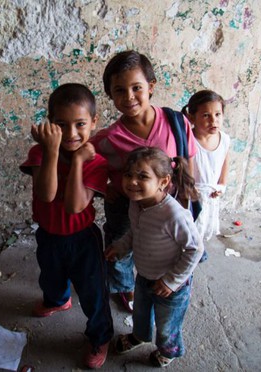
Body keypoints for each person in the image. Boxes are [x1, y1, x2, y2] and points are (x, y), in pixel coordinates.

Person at [90, 50, 197, 313]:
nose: (129, 97)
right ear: (111, 95)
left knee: (163, 247)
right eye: (119, 90)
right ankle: (125, 287)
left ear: (150, 87)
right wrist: (105, 187)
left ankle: (164, 281)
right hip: (129, 204)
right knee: (119, 249)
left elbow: (188, 156)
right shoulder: (109, 137)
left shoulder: (175, 122)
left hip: (168, 202)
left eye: (136, 88)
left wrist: (186, 195)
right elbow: (85, 160)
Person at [20, 83, 114, 369]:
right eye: (61, 124)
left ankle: (100, 337)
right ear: (50, 124)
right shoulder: (40, 153)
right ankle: (57, 300)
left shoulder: (95, 162)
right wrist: (50, 151)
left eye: (80, 124)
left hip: (82, 239)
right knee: (51, 276)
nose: (72, 134)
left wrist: (76, 163)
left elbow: (75, 206)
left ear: (94, 122)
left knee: (93, 292)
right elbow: (46, 194)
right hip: (48, 234)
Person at [104, 147, 204, 368]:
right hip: (145, 276)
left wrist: (171, 281)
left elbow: (194, 249)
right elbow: (135, 231)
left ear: (163, 181)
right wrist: (120, 246)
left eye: (143, 176)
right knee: (140, 311)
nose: (132, 182)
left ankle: (168, 350)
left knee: (167, 324)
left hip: (172, 286)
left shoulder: (174, 214)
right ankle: (139, 336)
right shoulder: (136, 203)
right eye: (128, 174)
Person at [182, 90, 230, 243]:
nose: (213, 120)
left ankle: (198, 247)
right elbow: (185, 173)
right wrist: (189, 192)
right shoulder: (189, 141)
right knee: (189, 227)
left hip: (211, 195)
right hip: (192, 195)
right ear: (192, 118)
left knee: (204, 227)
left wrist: (221, 186)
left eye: (218, 114)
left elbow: (224, 167)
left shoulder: (224, 140)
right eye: (206, 116)